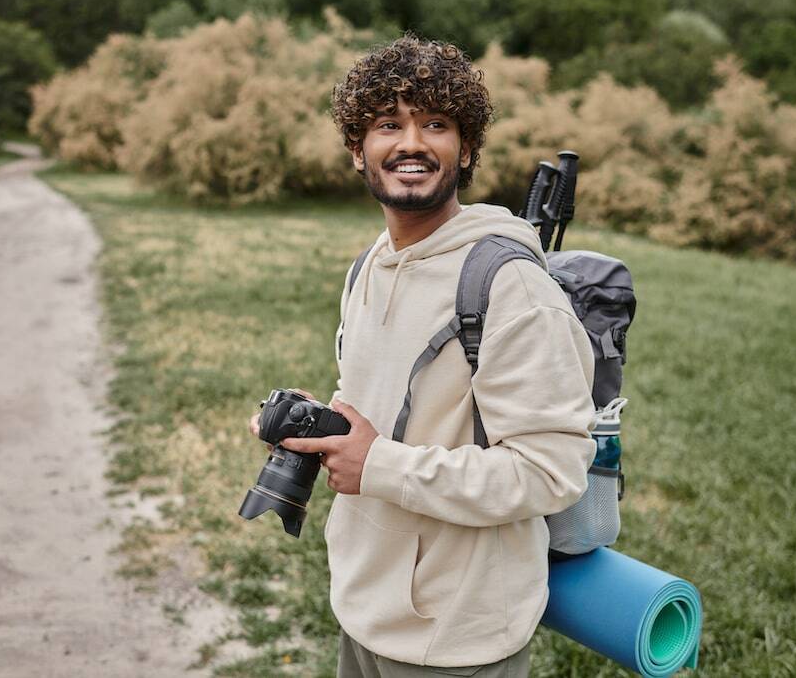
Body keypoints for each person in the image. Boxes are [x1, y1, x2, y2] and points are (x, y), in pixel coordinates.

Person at [251, 35, 596, 677]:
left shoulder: (509, 283)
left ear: (465, 150)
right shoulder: (369, 267)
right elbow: (376, 410)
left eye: (435, 124)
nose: (411, 142)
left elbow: (552, 471)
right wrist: (317, 423)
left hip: (457, 635)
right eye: (389, 125)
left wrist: (379, 465)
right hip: (363, 604)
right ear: (360, 150)